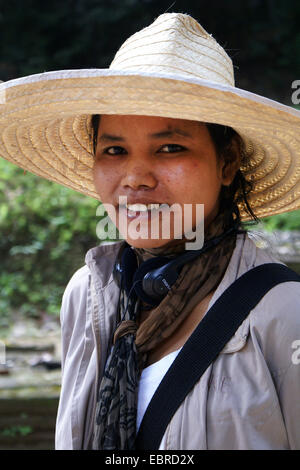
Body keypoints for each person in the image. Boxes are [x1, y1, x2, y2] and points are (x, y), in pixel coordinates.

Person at [0, 12, 300, 450]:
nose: (135, 176)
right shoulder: (88, 295)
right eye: (115, 149)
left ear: (228, 161)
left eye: (170, 147)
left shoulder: (283, 310)